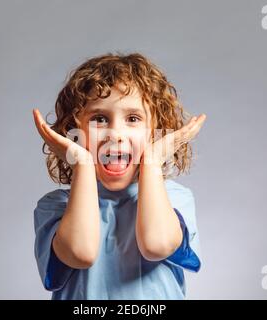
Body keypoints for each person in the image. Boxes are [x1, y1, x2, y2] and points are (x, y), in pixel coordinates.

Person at [32, 52, 207, 299]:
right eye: (99, 119)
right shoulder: (56, 206)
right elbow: (80, 253)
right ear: (73, 131)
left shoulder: (175, 198)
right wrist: (82, 163)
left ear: (154, 131)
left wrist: (153, 161)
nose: (115, 134)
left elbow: (156, 245)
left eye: (133, 119)